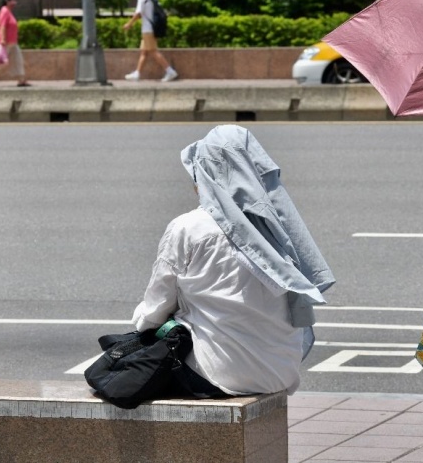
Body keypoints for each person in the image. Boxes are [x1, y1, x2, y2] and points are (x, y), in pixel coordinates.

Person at [131, 125, 334, 396]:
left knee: (127, 363)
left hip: (217, 373)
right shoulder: (277, 225)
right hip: (281, 372)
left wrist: (141, 322)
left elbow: (156, 310)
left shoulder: (188, 228)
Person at [122, 0, 178, 82]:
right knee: (144, 52)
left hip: (148, 28)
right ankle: (137, 73)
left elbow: (138, 13)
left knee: (152, 51)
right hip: (153, 26)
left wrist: (129, 24)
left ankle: (170, 71)